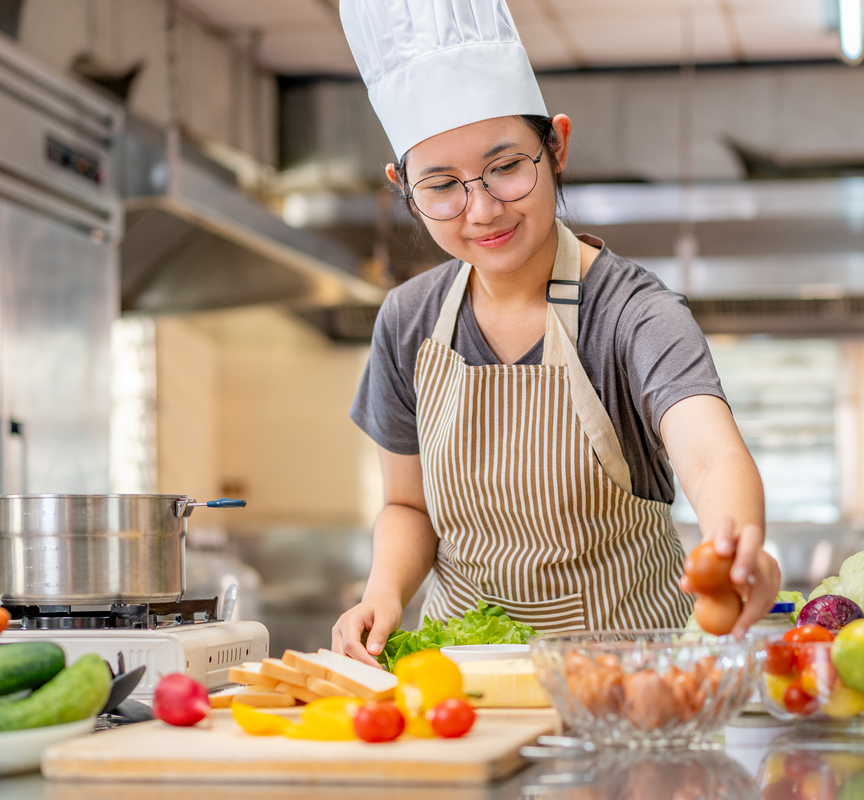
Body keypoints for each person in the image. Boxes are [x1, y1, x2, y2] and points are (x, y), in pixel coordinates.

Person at [332, 0, 781, 667]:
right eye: (442, 186)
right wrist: (384, 593)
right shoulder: (408, 321)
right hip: (463, 685)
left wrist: (738, 549)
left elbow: (712, 457)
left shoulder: (633, 313)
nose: (481, 209)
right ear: (402, 186)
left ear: (557, 146)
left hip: (628, 686)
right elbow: (408, 505)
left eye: (507, 167)